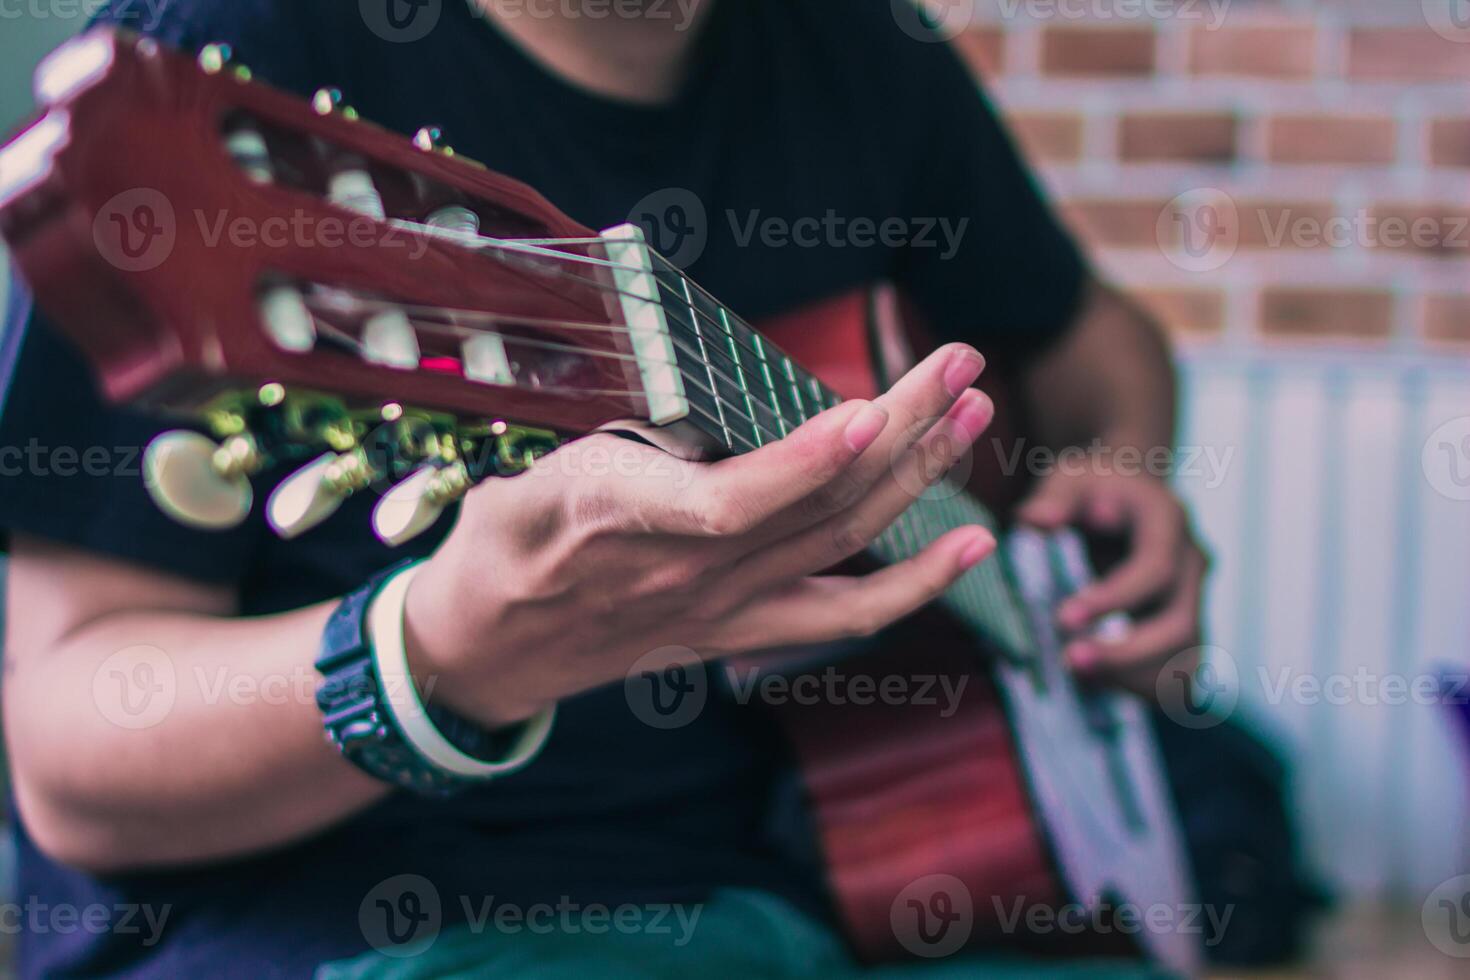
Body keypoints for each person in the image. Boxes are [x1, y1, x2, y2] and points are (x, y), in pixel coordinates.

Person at [0, 1, 1208, 976]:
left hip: (829, 878)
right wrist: (435, 659)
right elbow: (69, 759)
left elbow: (1098, 343)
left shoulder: (861, 50)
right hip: (373, 924)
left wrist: (1125, 467)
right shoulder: (231, 61)